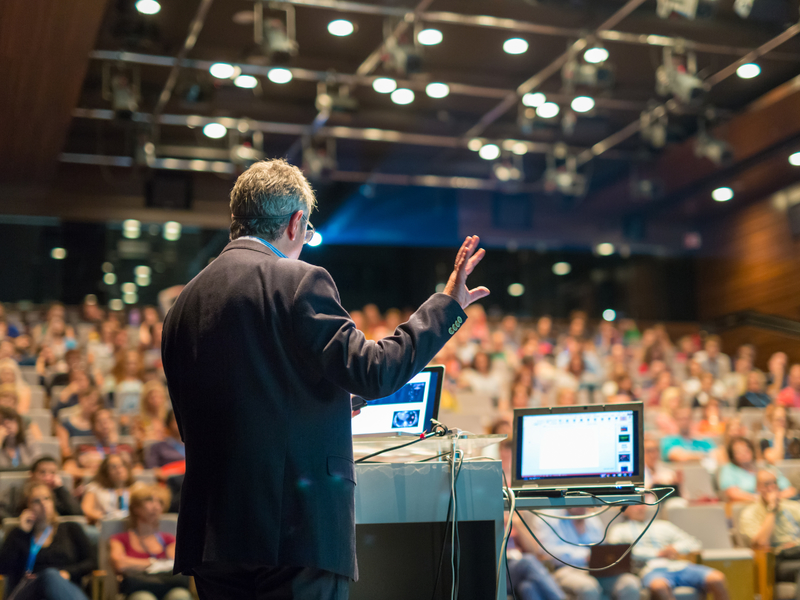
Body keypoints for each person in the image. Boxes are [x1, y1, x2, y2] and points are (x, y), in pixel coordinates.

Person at [161, 159, 489, 598]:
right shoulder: (297, 279)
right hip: (295, 529)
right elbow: (375, 371)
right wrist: (447, 305)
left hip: (213, 535)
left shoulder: (184, 303)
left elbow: (219, 412)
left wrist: (329, 402)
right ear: (297, 222)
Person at [607, 502, 729, 600]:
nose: (640, 508)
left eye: (642, 504)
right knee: (659, 587)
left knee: (717, 578)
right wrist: (657, 554)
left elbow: (694, 543)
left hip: (678, 565)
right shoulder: (619, 529)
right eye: (634, 505)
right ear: (624, 509)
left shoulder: (663, 525)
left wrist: (675, 548)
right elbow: (616, 552)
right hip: (650, 569)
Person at [0, 483, 93, 599]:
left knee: (52, 576)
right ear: (28, 507)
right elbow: (3, 568)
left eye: (47, 498)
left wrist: (68, 573)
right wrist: (21, 532)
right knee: (49, 574)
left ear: (53, 503)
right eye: (36, 501)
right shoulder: (18, 534)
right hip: (29, 591)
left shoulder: (71, 529)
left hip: (64, 587)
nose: (43, 503)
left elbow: (91, 562)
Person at [535, 507, 642, 600]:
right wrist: (585, 556)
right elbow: (548, 551)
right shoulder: (548, 516)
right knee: (588, 588)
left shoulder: (592, 519)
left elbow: (601, 547)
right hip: (566, 569)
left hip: (596, 570)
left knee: (630, 583)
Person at [109, 485, 191, 600]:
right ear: (136, 508)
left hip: (167, 585)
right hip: (138, 588)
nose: (156, 506)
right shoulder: (120, 538)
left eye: (160, 502)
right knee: (144, 598)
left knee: (180, 596)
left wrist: (136, 564)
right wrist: (154, 563)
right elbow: (120, 564)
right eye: (149, 500)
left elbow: (175, 564)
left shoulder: (168, 539)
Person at [739, 470, 800, 598]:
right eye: (767, 484)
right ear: (758, 488)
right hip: (775, 560)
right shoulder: (750, 513)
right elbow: (761, 543)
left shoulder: (791, 506)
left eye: (774, 483)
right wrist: (771, 509)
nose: (772, 487)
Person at [718, 437, 795, 503]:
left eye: (746, 450)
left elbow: (790, 490)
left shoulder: (766, 468)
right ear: (732, 455)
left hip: (776, 505)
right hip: (746, 509)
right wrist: (760, 500)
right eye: (738, 451)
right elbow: (733, 494)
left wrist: (774, 499)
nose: (743, 454)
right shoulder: (729, 469)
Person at [14, 456, 83, 517]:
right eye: (42, 472)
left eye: (52, 473)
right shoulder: (16, 493)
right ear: (32, 474)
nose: (47, 477)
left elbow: (77, 514)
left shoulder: (60, 495)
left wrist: (60, 488)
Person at [81, 453, 136, 525]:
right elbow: (86, 509)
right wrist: (103, 517)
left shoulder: (136, 488)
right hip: (105, 525)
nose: (119, 470)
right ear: (106, 471)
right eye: (114, 467)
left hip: (130, 525)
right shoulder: (95, 488)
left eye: (122, 465)